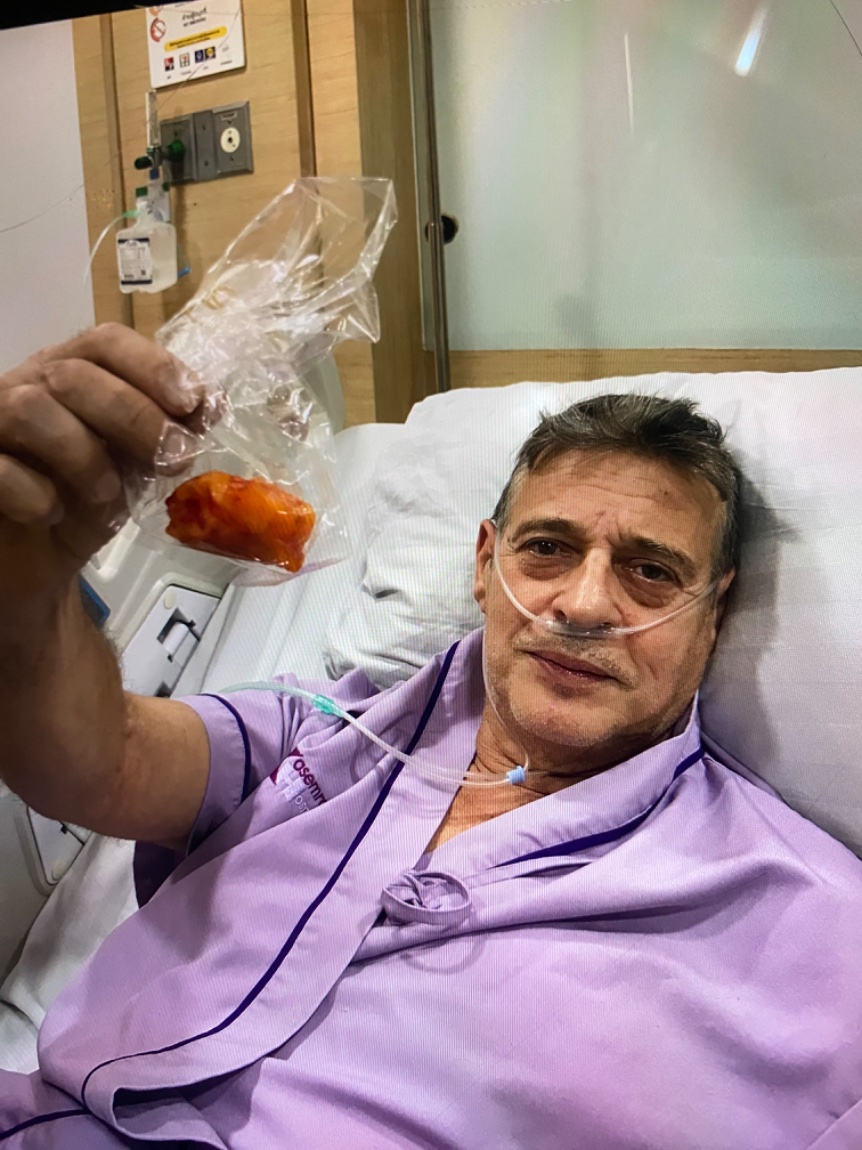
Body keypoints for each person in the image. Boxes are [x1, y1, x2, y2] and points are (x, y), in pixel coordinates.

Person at [1, 324, 861, 1150]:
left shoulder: (813, 932)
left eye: (651, 571)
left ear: (714, 614)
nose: (585, 604)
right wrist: (27, 590)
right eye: (548, 548)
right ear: (485, 565)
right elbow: (104, 761)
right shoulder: (329, 733)